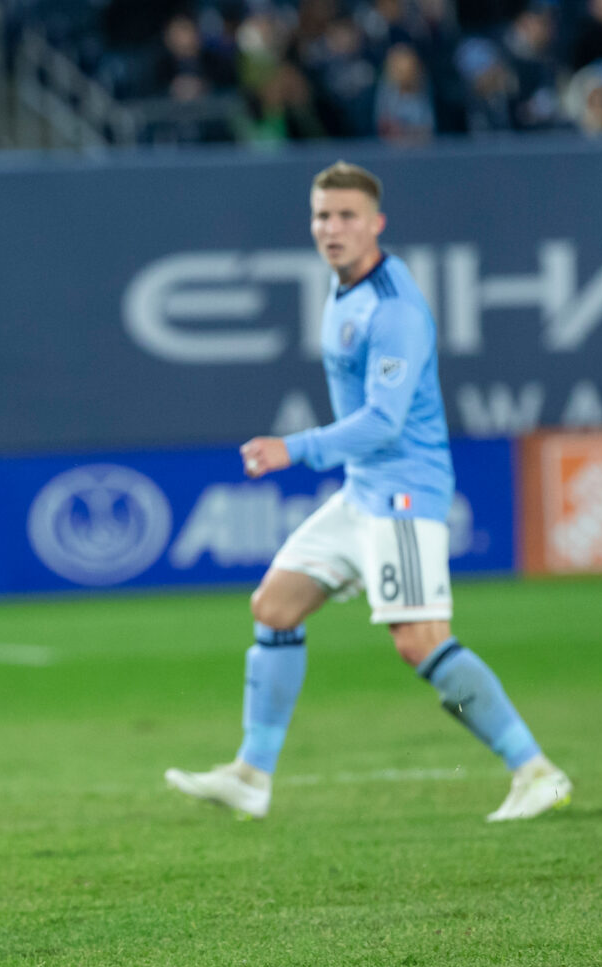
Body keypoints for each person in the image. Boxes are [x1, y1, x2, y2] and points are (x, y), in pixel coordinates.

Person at [166, 161, 571, 824]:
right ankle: (251, 775)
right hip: (362, 491)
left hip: (405, 496)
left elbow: (385, 421)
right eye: (323, 215)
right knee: (274, 607)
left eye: (348, 216)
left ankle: (533, 768)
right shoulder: (344, 289)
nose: (333, 228)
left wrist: (291, 448)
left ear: (376, 223)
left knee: (420, 643)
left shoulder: (394, 308)